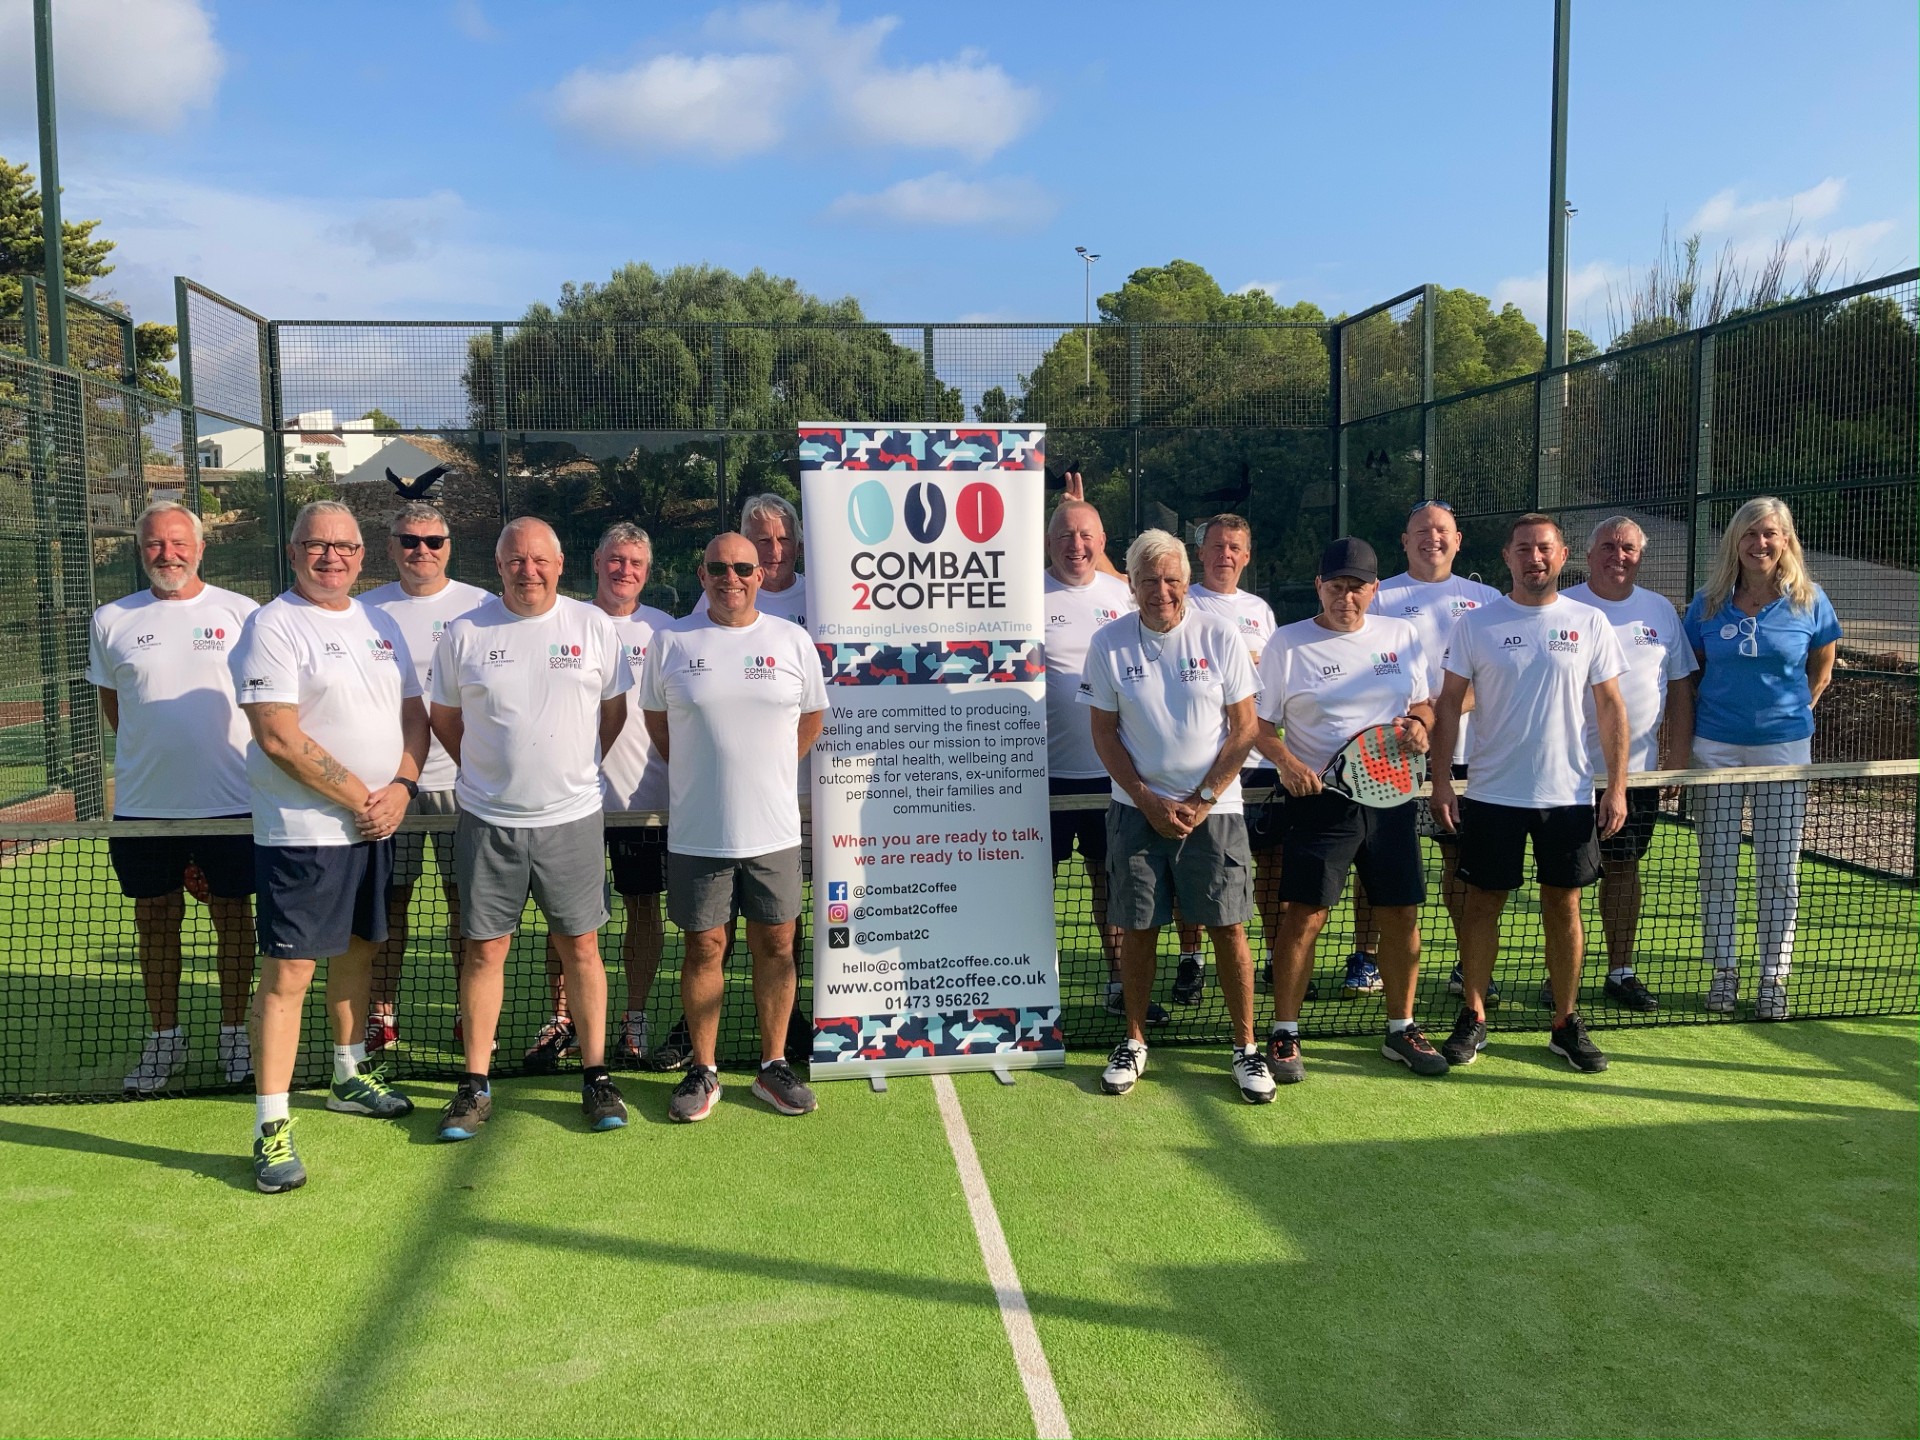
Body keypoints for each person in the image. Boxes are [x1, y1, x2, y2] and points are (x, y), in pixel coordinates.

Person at [230, 501, 426, 1194]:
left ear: (361, 555)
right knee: (289, 977)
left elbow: (413, 717)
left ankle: (347, 1076)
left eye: (343, 546)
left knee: (361, 953)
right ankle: (271, 1126)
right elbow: (277, 735)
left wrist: (401, 785)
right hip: (304, 836)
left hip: (377, 826)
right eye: (317, 545)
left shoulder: (379, 624)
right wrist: (361, 800)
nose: (331, 557)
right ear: (293, 553)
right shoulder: (272, 626)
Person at [429, 518, 632, 1140]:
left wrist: (564, 774)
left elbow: (613, 714)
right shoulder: (464, 633)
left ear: (561, 562)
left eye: (540, 559)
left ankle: (596, 1075)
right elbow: (445, 719)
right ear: (500, 565)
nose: (529, 570)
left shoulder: (593, 627)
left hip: (572, 820)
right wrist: (495, 776)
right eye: (516, 560)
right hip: (489, 822)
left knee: (582, 948)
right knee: (486, 950)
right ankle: (474, 1084)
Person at [1428, 514, 1630, 1074]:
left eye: (1544, 548)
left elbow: (1612, 707)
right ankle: (1473, 1014)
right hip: (1491, 793)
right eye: (1524, 549)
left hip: (1566, 795)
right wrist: (1441, 778)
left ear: (1563, 555)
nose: (1534, 558)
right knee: (1481, 905)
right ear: (1507, 557)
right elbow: (1448, 705)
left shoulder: (1589, 623)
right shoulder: (1475, 625)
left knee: (1564, 906)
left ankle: (1565, 1023)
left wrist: (1616, 786)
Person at [641, 532, 828, 1122]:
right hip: (699, 834)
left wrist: (766, 771)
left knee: (777, 945)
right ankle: (704, 1068)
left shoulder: (792, 641)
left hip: (774, 831)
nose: (732, 577)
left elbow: (812, 718)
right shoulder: (669, 641)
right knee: (704, 947)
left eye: (743, 567)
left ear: (760, 575)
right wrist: (710, 775)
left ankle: (773, 1066)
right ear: (702, 573)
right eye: (719, 567)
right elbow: (658, 725)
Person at [1080, 529, 1272, 1103]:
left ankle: (1246, 1047)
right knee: (1138, 927)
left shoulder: (1221, 634)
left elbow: (1245, 729)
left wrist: (1203, 799)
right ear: (1131, 586)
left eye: (1171, 580)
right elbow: (1103, 734)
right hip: (1137, 813)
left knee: (1228, 927)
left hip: (1216, 813)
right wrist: (1147, 800)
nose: (1161, 591)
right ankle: (1135, 1040)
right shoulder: (1108, 642)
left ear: (1186, 582)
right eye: (1148, 580)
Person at [1255, 538, 1447, 1080]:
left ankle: (1400, 1028)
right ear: (1319, 587)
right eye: (1336, 586)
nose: (1347, 597)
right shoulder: (1287, 644)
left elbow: (1422, 705)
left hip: (1392, 801)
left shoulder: (1400, 636)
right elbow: (1260, 727)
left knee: (1401, 914)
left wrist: (1420, 727)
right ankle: (1285, 1032)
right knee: (1304, 918)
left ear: (1374, 590)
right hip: (1322, 804)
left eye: (1357, 587)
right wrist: (1288, 764)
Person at [88, 501, 259, 1092]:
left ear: (201, 547)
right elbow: (120, 711)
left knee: (235, 918)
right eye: (156, 545)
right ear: (142, 552)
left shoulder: (243, 614)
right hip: (143, 808)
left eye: (179, 543)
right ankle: (165, 1040)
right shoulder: (111, 619)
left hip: (234, 804)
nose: (169, 554)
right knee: (154, 922)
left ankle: (237, 1037)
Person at [1682, 497, 1840, 1021]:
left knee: (1779, 868)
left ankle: (1773, 979)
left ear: (1786, 540)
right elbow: (1687, 672)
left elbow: (1822, 669)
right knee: (1718, 866)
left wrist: (1794, 714)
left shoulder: (1810, 602)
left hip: (1784, 751)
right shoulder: (1706, 603)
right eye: (1750, 534)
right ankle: (1723, 973)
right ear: (1735, 542)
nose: (1760, 543)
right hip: (1715, 748)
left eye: (1770, 533)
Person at [360, 502, 490, 1053]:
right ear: (391, 546)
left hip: (465, 787)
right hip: (388, 788)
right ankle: (381, 1017)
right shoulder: (362, 611)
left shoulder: (482, 606)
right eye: (409, 540)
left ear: (449, 546)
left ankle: (469, 1017)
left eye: (433, 541)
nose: (422, 550)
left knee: (466, 904)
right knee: (389, 904)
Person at [1368, 500, 1502, 1001]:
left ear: (1458, 539)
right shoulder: (1379, 596)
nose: (1433, 538)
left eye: (1442, 530)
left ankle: (1470, 967)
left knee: (1459, 862)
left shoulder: (1487, 599)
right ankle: (1366, 956)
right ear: (1404, 541)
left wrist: (1442, 715)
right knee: (1377, 859)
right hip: (1391, 755)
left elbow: (1491, 674)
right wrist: (1416, 725)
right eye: (1421, 531)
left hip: (1470, 758)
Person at [1562, 516, 1697, 1012]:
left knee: (1622, 869)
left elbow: (1681, 684)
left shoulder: (1659, 610)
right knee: (1564, 881)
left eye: (1628, 548)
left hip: (1634, 775)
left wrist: (1677, 756)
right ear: (1587, 552)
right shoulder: (1563, 606)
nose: (1618, 556)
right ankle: (1564, 979)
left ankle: (1620, 971)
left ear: (1641, 556)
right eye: (1608, 547)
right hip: (1565, 775)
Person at [1042, 498, 1165, 1025]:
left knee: (1111, 883)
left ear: (1102, 540)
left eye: (1086, 534)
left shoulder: (1126, 597)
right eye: (1066, 535)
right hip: (1038, 779)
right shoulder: (1024, 594)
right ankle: (1032, 983)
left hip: (1113, 775)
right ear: (1049, 543)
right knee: (1030, 888)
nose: (1076, 545)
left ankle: (1119, 983)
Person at [1182, 513, 1283, 1005]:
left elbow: (1275, 679)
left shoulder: (1260, 610)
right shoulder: (1182, 599)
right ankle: (1191, 959)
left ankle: (1272, 956)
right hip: (1198, 765)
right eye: (1217, 545)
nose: (1226, 554)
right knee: (1190, 868)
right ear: (1200, 552)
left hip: (1256, 767)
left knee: (1263, 867)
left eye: (1235, 547)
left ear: (1246, 555)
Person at [587, 523, 675, 1066]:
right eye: (616, 559)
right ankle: (561, 1018)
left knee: (644, 910)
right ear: (597, 561)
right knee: (569, 920)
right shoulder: (569, 620)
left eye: (636, 563)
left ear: (647, 571)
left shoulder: (668, 631)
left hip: (646, 805)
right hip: (574, 805)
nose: (625, 571)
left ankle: (634, 1017)